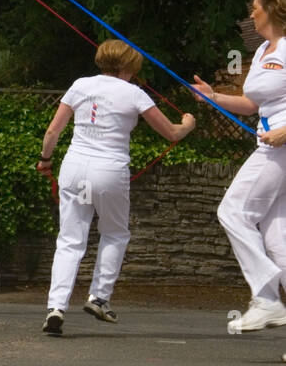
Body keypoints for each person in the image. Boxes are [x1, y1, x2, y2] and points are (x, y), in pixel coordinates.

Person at [36, 40, 195, 335]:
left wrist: (45, 160)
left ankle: (56, 307)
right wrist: (188, 124)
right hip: (108, 172)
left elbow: (53, 130)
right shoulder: (134, 93)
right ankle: (99, 297)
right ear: (126, 67)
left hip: (76, 170)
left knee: (70, 239)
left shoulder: (80, 85)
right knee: (114, 233)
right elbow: (171, 133)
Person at [193, 0, 286, 333]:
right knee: (278, 241)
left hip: (279, 148)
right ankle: (271, 300)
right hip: (270, 144)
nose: (251, 12)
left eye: (255, 7)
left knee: (233, 211)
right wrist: (213, 97)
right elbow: (250, 103)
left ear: (271, 10)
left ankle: (267, 299)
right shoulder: (263, 51)